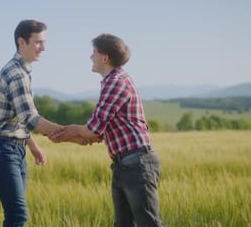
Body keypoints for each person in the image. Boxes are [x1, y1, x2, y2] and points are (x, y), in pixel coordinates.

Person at [50, 33, 165, 227]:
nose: (90, 57)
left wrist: (68, 132)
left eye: (94, 52)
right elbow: (100, 132)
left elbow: (95, 129)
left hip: (136, 163)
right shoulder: (112, 81)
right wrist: (73, 135)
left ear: (105, 57)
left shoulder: (116, 82)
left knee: (149, 224)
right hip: (125, 164)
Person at [0, 19, 86, 227]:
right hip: (3, 150)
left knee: (15, 215)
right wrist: (76, 136)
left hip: (13, 148)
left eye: (44, 41)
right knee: (17, 215)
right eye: (38, 42)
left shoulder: (22, 71)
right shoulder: (16, 74)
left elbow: (20, 118)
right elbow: (32, 119)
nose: (44, 48)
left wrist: (32, 145)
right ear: (22, 42)